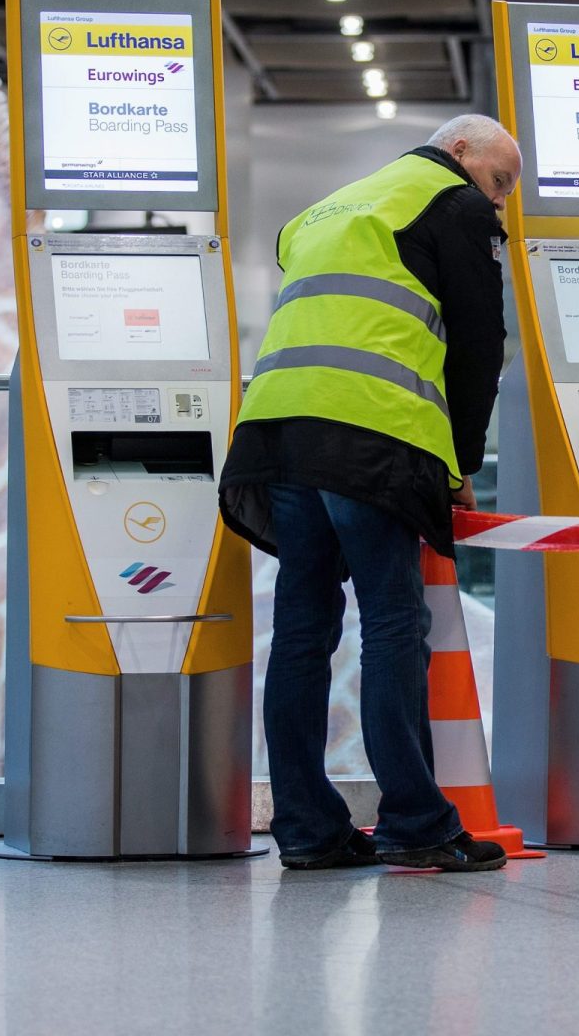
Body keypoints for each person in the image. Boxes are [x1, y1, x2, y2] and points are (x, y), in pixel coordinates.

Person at [221, 114, 520, 873]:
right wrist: (459, 463)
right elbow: (482, 346)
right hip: (369, 433)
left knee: (302, 632)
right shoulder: (453, 204)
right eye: (500, 183)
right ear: (459, 153)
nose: (501, 205)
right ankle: (416, 820)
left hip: (278, 434)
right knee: (392, 624)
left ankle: (308, 829)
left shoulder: (330, 206)